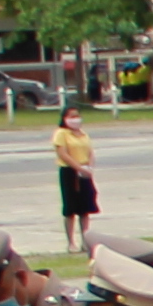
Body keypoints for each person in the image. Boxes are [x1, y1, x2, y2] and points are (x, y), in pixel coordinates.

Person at [47, 107, 99, 254]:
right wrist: (78, 168)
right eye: (71, 116)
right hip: (70, 172)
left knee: (85, 209)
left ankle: (85, 241)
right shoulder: (61, 133)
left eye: (77, 115)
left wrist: (89, 167)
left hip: (85, 171)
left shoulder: (83, 134)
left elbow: (90, 152)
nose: (75, 119)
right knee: (70, 208)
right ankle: (71, 242)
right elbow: (62, 153)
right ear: (64, 118)